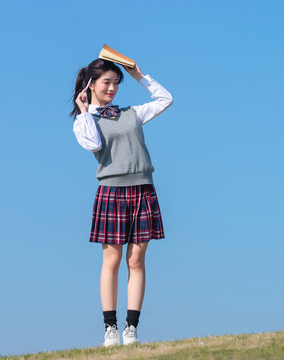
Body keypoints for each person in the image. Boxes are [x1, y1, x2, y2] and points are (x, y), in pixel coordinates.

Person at [70, 58, 173, 347]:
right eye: (107, 82)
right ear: (91, 85)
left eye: (117, 82)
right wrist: (85, 109)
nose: (113, 87)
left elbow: (166, 99)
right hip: (112, 192)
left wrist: (139, 76)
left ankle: (131, 329)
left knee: (136, 261)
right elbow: (93, 144)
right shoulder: (84, 121)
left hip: (143, 189)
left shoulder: (132, 113)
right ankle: (110, 329)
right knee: (112, 261)